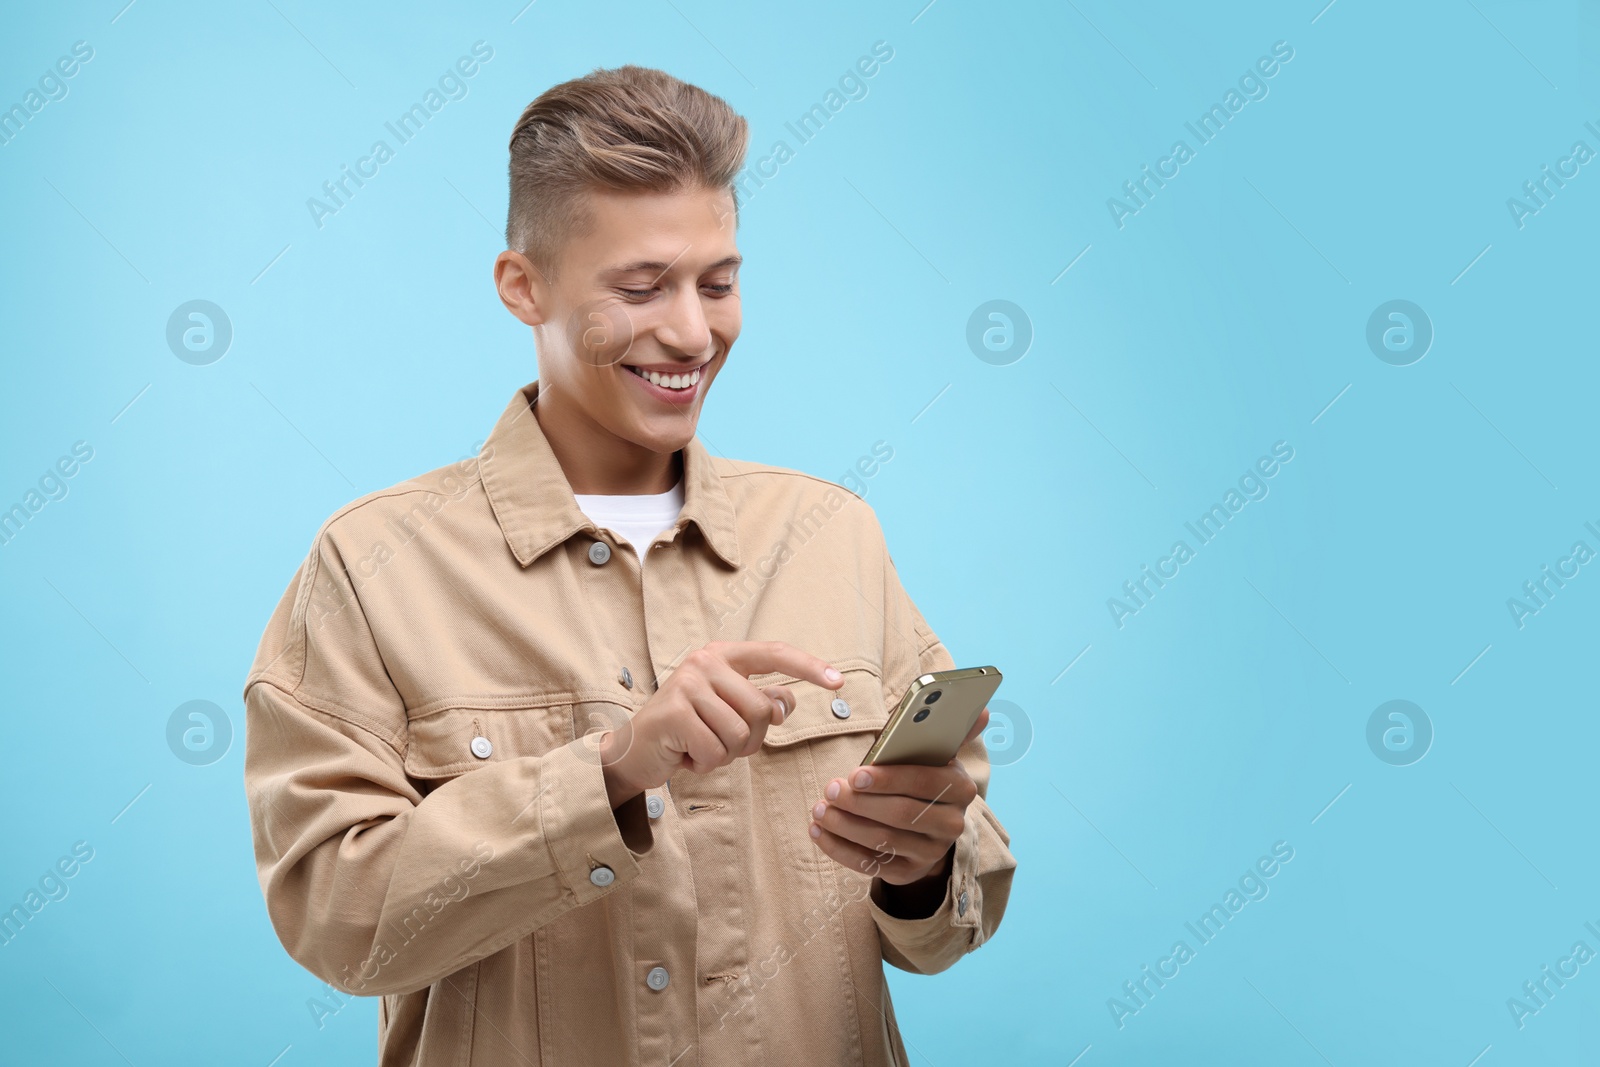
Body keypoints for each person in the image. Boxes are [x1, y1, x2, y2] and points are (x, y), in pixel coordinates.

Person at [242, 64, 1015, 1066]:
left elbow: (955, 913)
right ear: (524, 287)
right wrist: (609, 772)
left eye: (719, 281)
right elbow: (338, 922)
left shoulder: (834, 535)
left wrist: (920, 865)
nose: (693, 331)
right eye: (642, 286)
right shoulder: (369, 564)